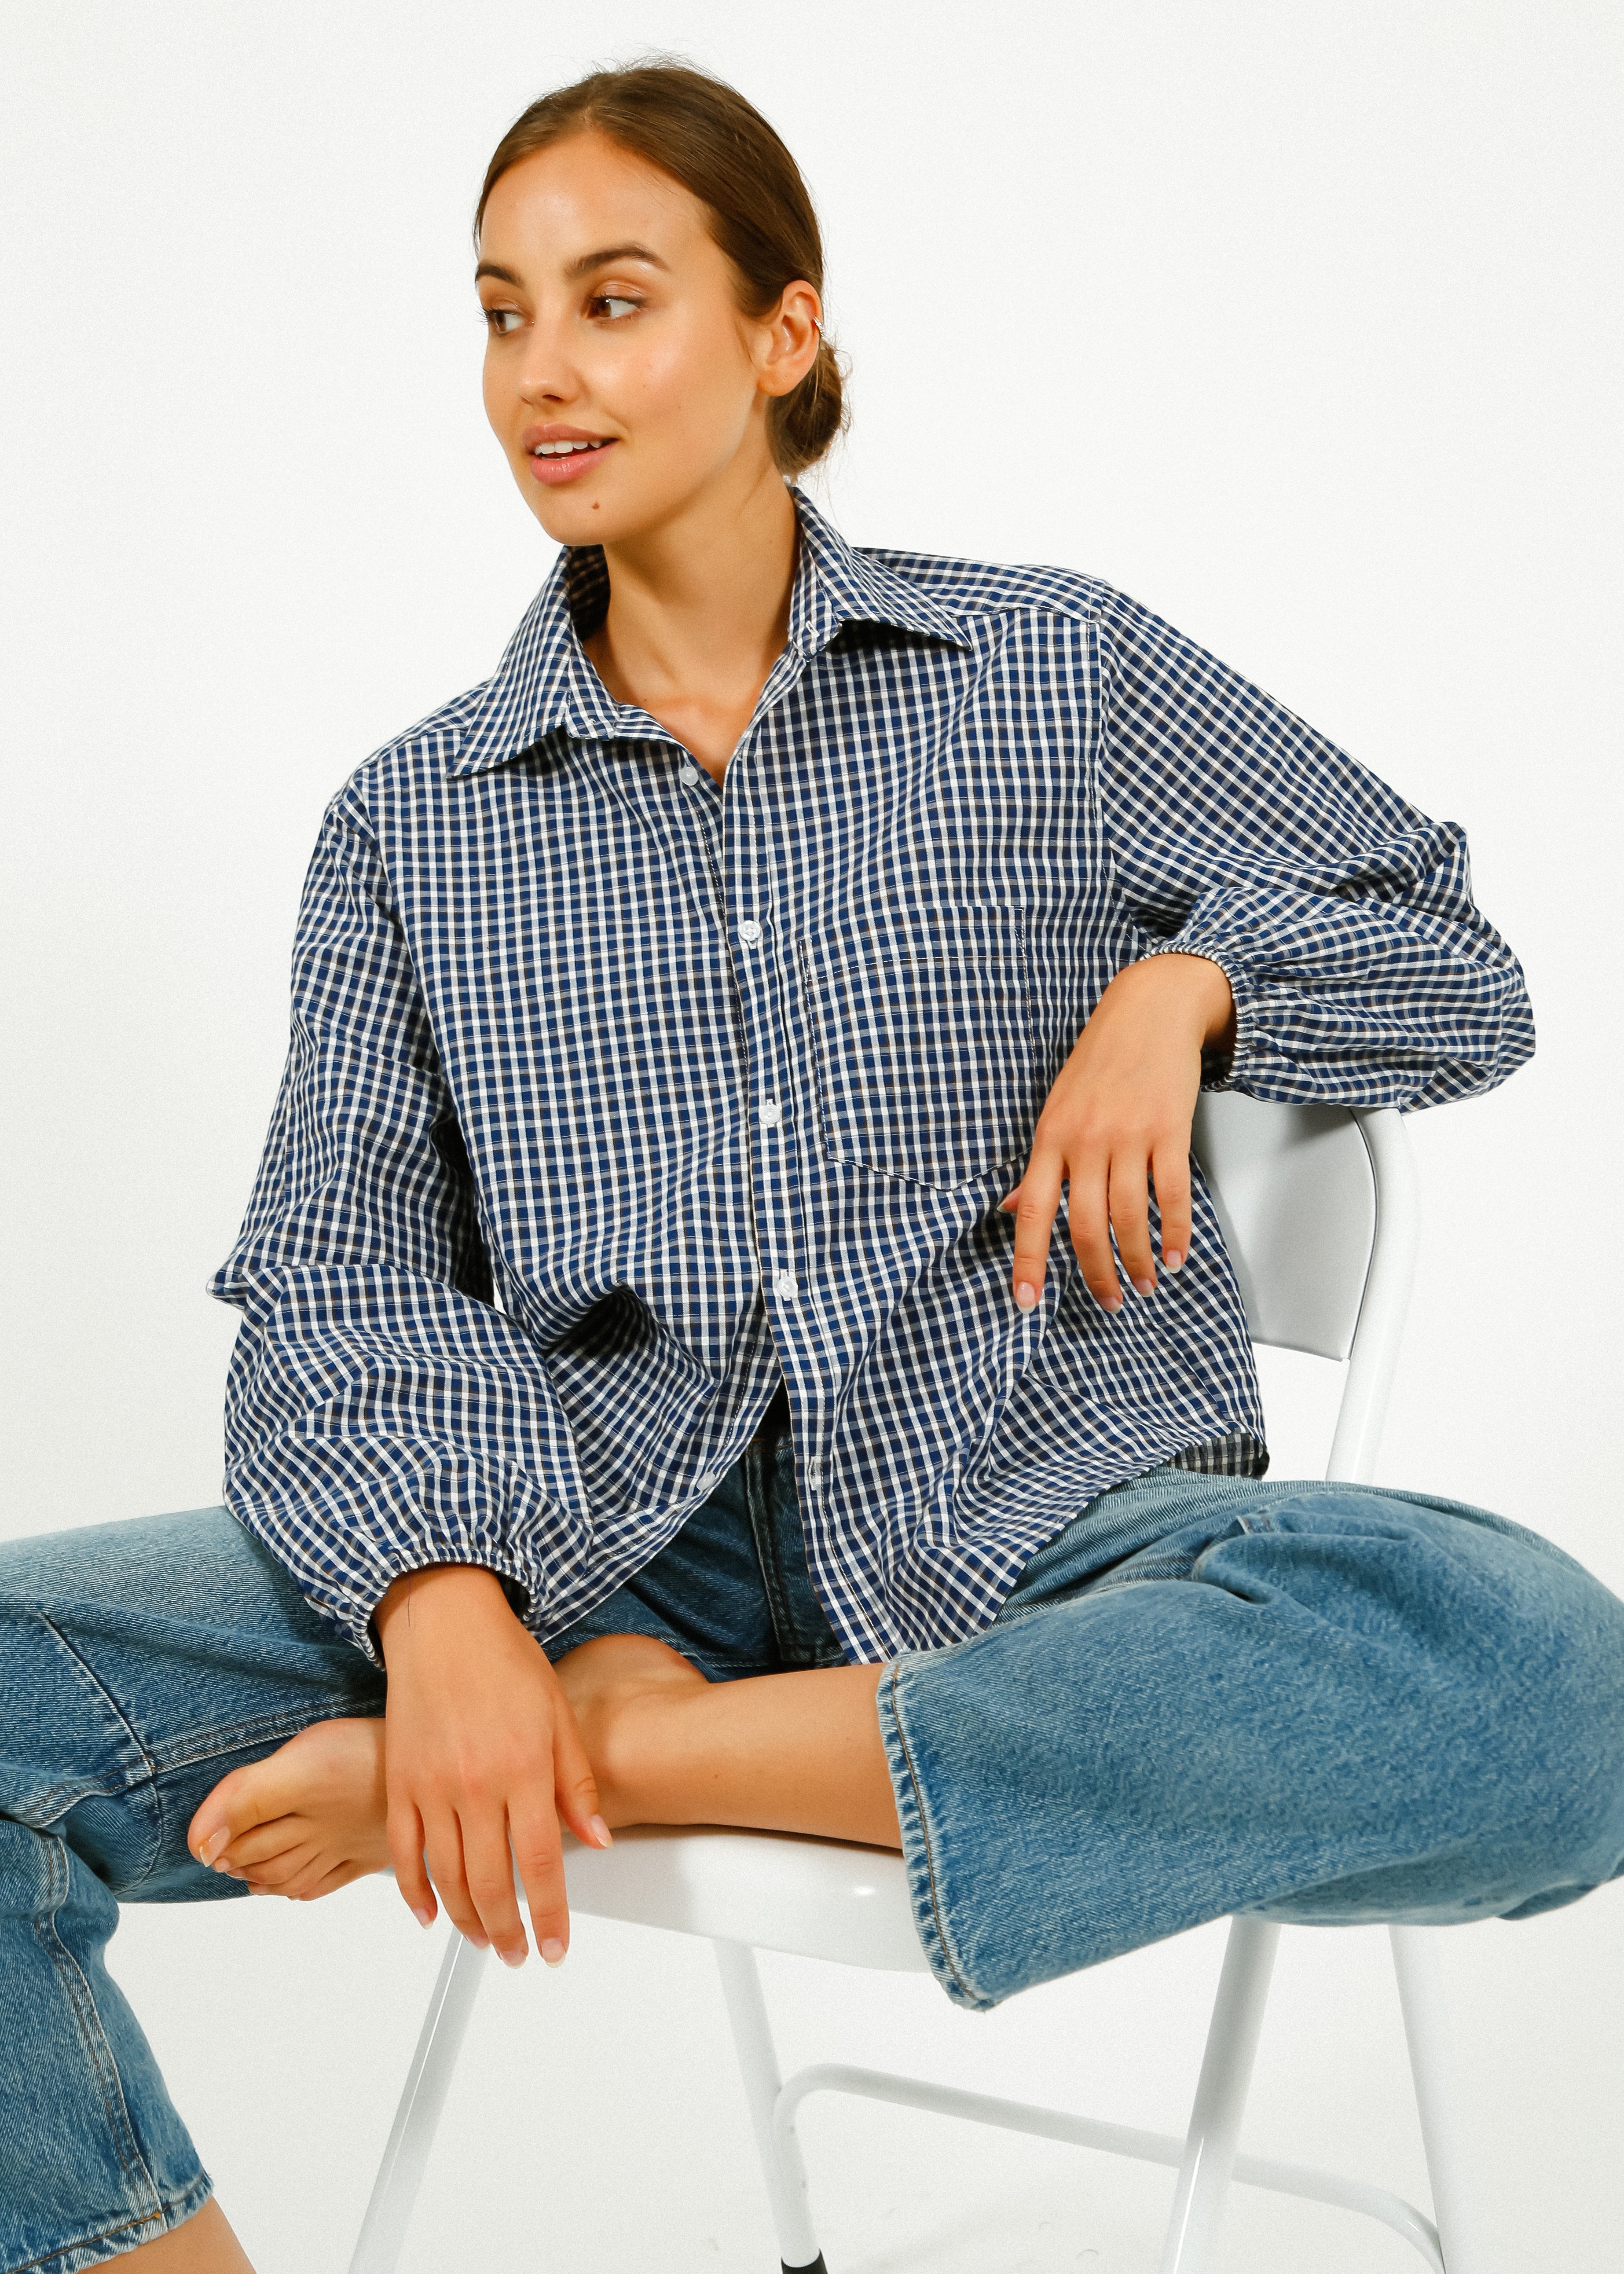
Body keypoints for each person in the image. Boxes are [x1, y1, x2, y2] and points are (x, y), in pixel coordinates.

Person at [4, 60, 1622, 2273]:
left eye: (610, 300)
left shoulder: (1045, 672)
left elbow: (1450, 956)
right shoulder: (417, 819)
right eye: (500, 314)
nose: (540, 376)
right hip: (587, 1539)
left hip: (1043, 1522)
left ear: (781, 333)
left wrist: (1190, 988)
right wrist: (447, 1608)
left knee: (1552, 1679)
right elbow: (342, 1271)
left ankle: (643, 1755)